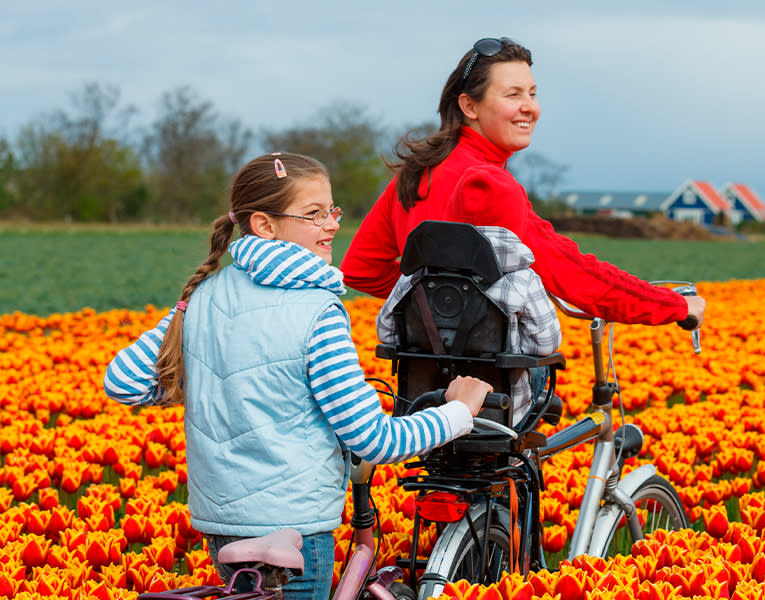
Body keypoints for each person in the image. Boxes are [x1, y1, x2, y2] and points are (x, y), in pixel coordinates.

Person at [103, 152, 492, 600]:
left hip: (222, 529)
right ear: (264, 225)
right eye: (313, 214)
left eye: (332, 211)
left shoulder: (205, 295)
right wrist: (457, 412)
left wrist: (205, 348)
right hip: (295, 530)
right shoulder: (317, 311)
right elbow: (373, 440)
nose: (331, 225)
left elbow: (124, 381)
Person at [341, 36, 706, 330]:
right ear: (470, 106)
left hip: (420, 372)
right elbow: (569, 272)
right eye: (513, 94)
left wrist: (432, 312)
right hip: (489, 381)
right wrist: (672, 305)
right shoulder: (488, 183)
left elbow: (362, 269)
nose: (530, 107)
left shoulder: (417, 171)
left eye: (532, 93)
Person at [377, 225, 561, 421]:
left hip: (423, 409)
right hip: (499, 411)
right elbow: (546, 344)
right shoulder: (523, 279)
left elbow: (386, 332)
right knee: (539, 368)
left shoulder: (414, 276)